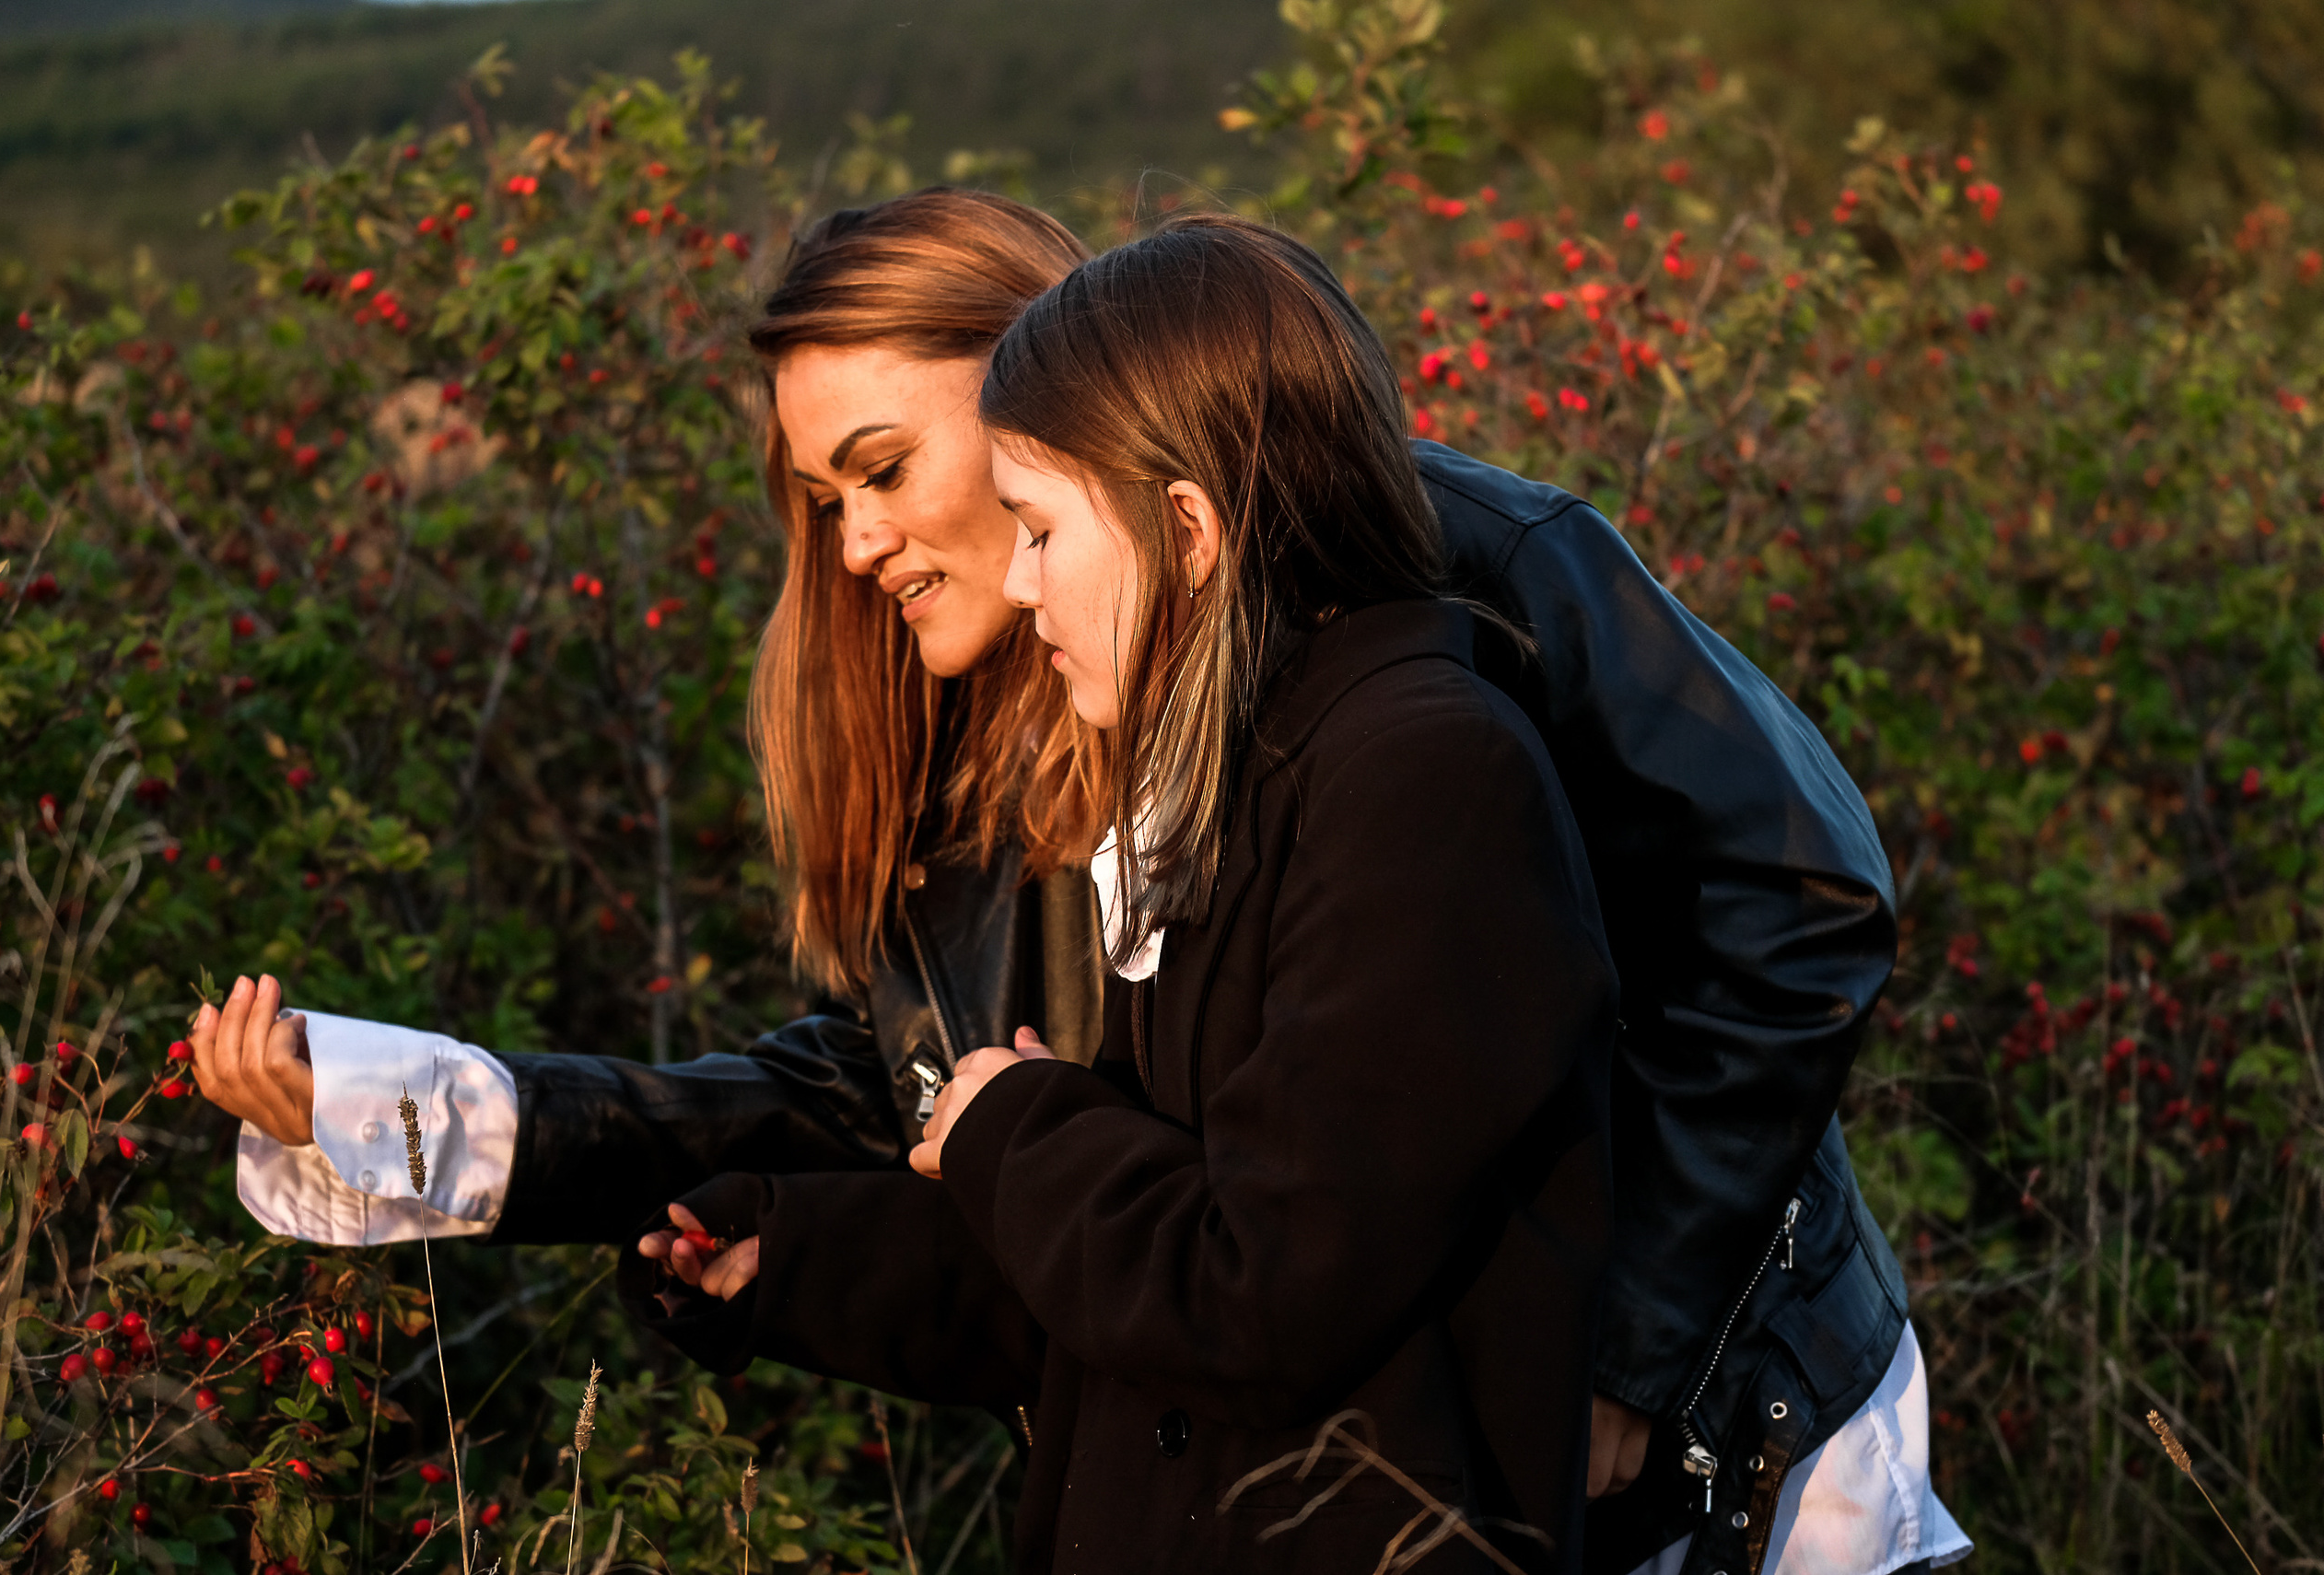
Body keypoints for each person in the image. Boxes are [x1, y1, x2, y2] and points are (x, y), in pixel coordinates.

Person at [193, 188, 1965, 1575]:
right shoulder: (983, 750)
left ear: (1044, 384)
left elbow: (1793, 895)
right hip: (1379, 1459)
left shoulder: (1443, 574)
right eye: (819, 501)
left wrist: (1625, 1356)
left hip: (1730, 1415)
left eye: (884, 470)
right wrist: (453, 1121)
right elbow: (932, 1102)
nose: (856, 540)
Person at [626, 214, 1618, 1573]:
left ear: (1189, 530)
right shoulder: (1238, 782)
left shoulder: (1422, 778)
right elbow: (1125, 1282)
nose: (1025, 585)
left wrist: (1022, 1123)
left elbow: (1260, 1284)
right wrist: (799, 1255)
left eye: (1040, 529)